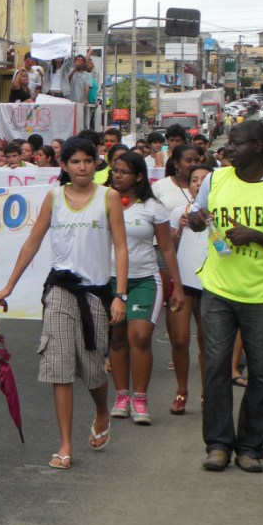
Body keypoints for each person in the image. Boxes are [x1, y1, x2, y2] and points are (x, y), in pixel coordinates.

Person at [0, 136, 128, 470]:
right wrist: (9, 286)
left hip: (95, 293)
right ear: (64, 165)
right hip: (59, 290)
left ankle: (101, 410)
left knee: (92, 369)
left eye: (88, 161)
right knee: (60, 365)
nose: (82, 167)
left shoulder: (108, 197)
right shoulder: (54, 197)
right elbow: (33, 241)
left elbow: (120, 247)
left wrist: (120, 295)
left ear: (96, 164)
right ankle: (65, 445)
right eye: (75, 161)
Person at [188, 120, 263, 473]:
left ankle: (250, 448)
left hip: (262, 295)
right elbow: (195, 219)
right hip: (217, 289)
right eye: (229, 142)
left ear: (258, 146)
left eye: (236, 143)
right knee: (216, 368)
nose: (228, 148)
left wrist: (256, 235)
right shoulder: (215, 179)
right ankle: (218, 445)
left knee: (262, 373)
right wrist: (197, 219)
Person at [107, 152, 184, 425]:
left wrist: (177, 286)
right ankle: (121, 397)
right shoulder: (104, 201)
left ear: (139, 176)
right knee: (117, 338)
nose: (117, 175)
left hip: (145, 280)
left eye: (124, 171)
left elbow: (166, 248)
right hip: (110, 281)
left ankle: (140, 399)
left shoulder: (153, 207)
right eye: (115, 170)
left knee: (139, 337)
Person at [168, 164, 211, 414]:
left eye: (204, 179)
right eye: (195, 179)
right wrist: (180, 228)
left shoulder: (220, 212)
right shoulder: (179, 212)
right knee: (181, 338)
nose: (199, 183)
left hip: (210, 285)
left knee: (207, 343)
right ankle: (181, 391)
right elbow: (169, 247)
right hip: (182, 284)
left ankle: (207, 394)